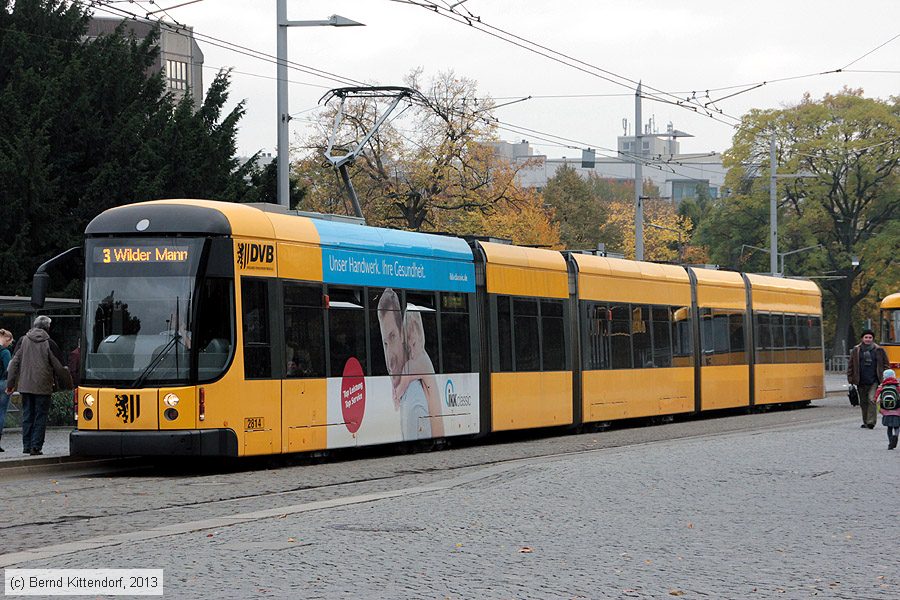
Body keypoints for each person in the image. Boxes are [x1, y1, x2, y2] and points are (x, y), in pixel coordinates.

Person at [5, 316, 73, 455]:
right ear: (48, 327)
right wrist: (69, 386)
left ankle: (26, 445)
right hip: (43, 386)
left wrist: (10, 384)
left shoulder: (22, 341)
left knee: (27, 415)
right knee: (40, 416)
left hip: (25, 386)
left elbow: (13, 364)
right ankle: (36, 447)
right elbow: (60, 368)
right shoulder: (50, 343)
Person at [377, 289, 435, 441]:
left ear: (402, 334)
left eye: (393, 337)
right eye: (385, 343)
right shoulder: (409, 382)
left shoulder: (413, 392)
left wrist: (398, 390)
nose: (389, 354)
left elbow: (410, 371)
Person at [392, 310, 444, 437]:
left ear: (420, 335)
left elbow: (401, 387)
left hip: (434, 429)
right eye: (409, 348)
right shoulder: (424, 357)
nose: (413, 353)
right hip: (437, 425)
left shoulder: (419, 361)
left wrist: (395, 395)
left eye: (414, 344)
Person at [847, 329, 888, 429]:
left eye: (870, 337)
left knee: (871, 399)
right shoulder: (856, 350)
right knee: (863, 402)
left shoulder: (879, 350)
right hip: (860, 380)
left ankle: (871, 422)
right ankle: (865, 421)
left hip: (874, 380)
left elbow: (886, 364)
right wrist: (850, 378)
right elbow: (851, 365)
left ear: (873, 339)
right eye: (866, 337)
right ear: (862, 338)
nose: (868, 339)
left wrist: (885, 377)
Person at [875, 369, 900, 450]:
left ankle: (890, 443)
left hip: (886, 411)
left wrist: (880, 409)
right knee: (897, 426)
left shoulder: (882, 387)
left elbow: (876, 398)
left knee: (889, 428)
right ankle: (896, 436)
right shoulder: (897, 386)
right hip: (897, 411)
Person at [0, 329, 14, 452]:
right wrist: (11, 385)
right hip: (2, 383)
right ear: (6, 339)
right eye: (10, 342)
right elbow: (8, 369)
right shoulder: (5, 352)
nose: (10, 344)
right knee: (1, 411)